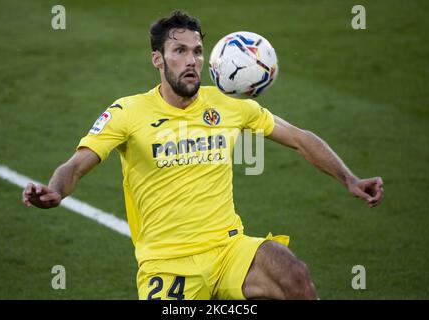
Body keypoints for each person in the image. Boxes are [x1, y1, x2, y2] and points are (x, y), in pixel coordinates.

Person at [22, 10, 384, 300]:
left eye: (197, 51)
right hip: (167, 265)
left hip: (228, 249)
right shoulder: (127, 112)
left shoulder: (228, 104)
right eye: (179, 51)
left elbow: (300, 139)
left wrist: (349, 178)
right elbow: (77, 164)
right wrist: (56, 191)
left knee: (294, 276)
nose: (192, 60)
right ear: (157, 59)